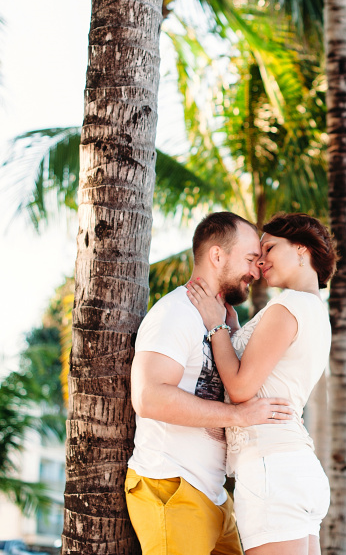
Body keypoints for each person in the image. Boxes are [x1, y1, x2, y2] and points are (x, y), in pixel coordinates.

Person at [126, 211, 296, 555]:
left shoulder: (218, 320)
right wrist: (239, 416)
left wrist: (230, 332)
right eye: (250, 259)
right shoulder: (176, 312)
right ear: (217, 255)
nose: (256, 272)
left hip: (215, 497)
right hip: (173, 486)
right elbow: (148, 396)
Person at [185, 212, 337, 555]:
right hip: (296, 468)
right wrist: (235, 330)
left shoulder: (287, 306)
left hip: (272, 470)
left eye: (269, 248)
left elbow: (241, 388)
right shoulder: (315, 311)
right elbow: (269, 372)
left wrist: (216, 326)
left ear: (301, 249)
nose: (261, 261)